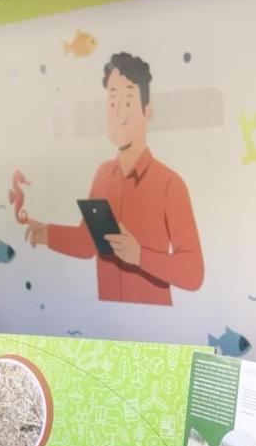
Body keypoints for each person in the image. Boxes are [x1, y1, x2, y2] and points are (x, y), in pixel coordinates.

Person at [26, 51, 204, 305]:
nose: (119, 112)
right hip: (108, 326)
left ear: (148, 112)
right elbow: (89, 244)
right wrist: (47, 234)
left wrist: (140, 255)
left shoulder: (170, 184)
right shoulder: (102, 174)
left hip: (155, 327)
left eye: (129, 101)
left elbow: (194, 273)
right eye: (111, 103)